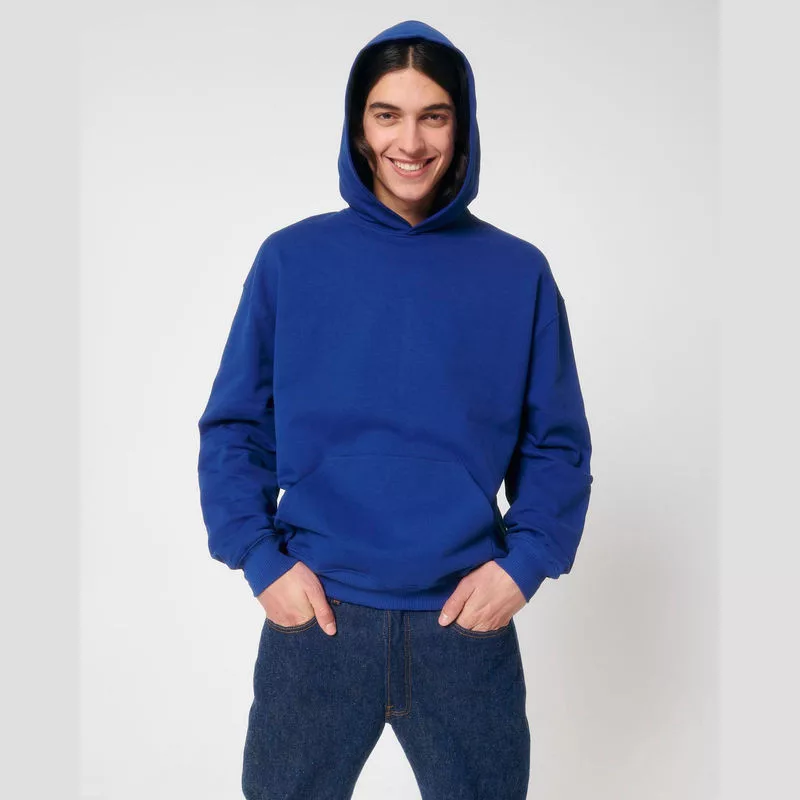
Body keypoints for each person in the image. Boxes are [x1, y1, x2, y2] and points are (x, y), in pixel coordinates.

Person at [197, 19, 593, 800]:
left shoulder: (518, 273)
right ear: (358, 125)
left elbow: (556, 447)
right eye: (388, 114)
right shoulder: (291, 260)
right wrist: (260, 561)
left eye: (432, 116)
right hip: (318, 618)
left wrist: (522, 568)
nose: (409, 142)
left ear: (461, 125)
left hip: (463, 623)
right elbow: (236, 427)